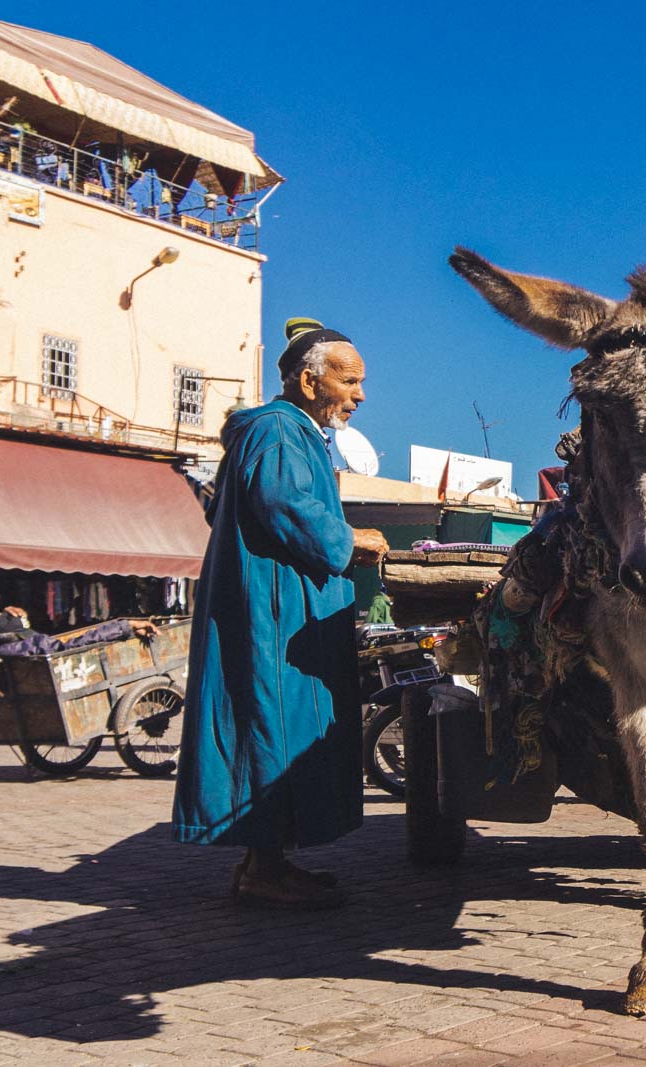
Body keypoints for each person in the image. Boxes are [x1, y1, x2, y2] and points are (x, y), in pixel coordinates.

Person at [173, 318, 390, 909]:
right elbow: (281, 501)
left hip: (280, 604)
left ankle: (262, 863)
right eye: (350, 380)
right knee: (272, 723)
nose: (360, 395)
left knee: (279, 725)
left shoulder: (292, 431)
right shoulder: (277, 429)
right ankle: (264, 869)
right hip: (272, 613)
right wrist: (348, 539)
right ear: (308, 380)